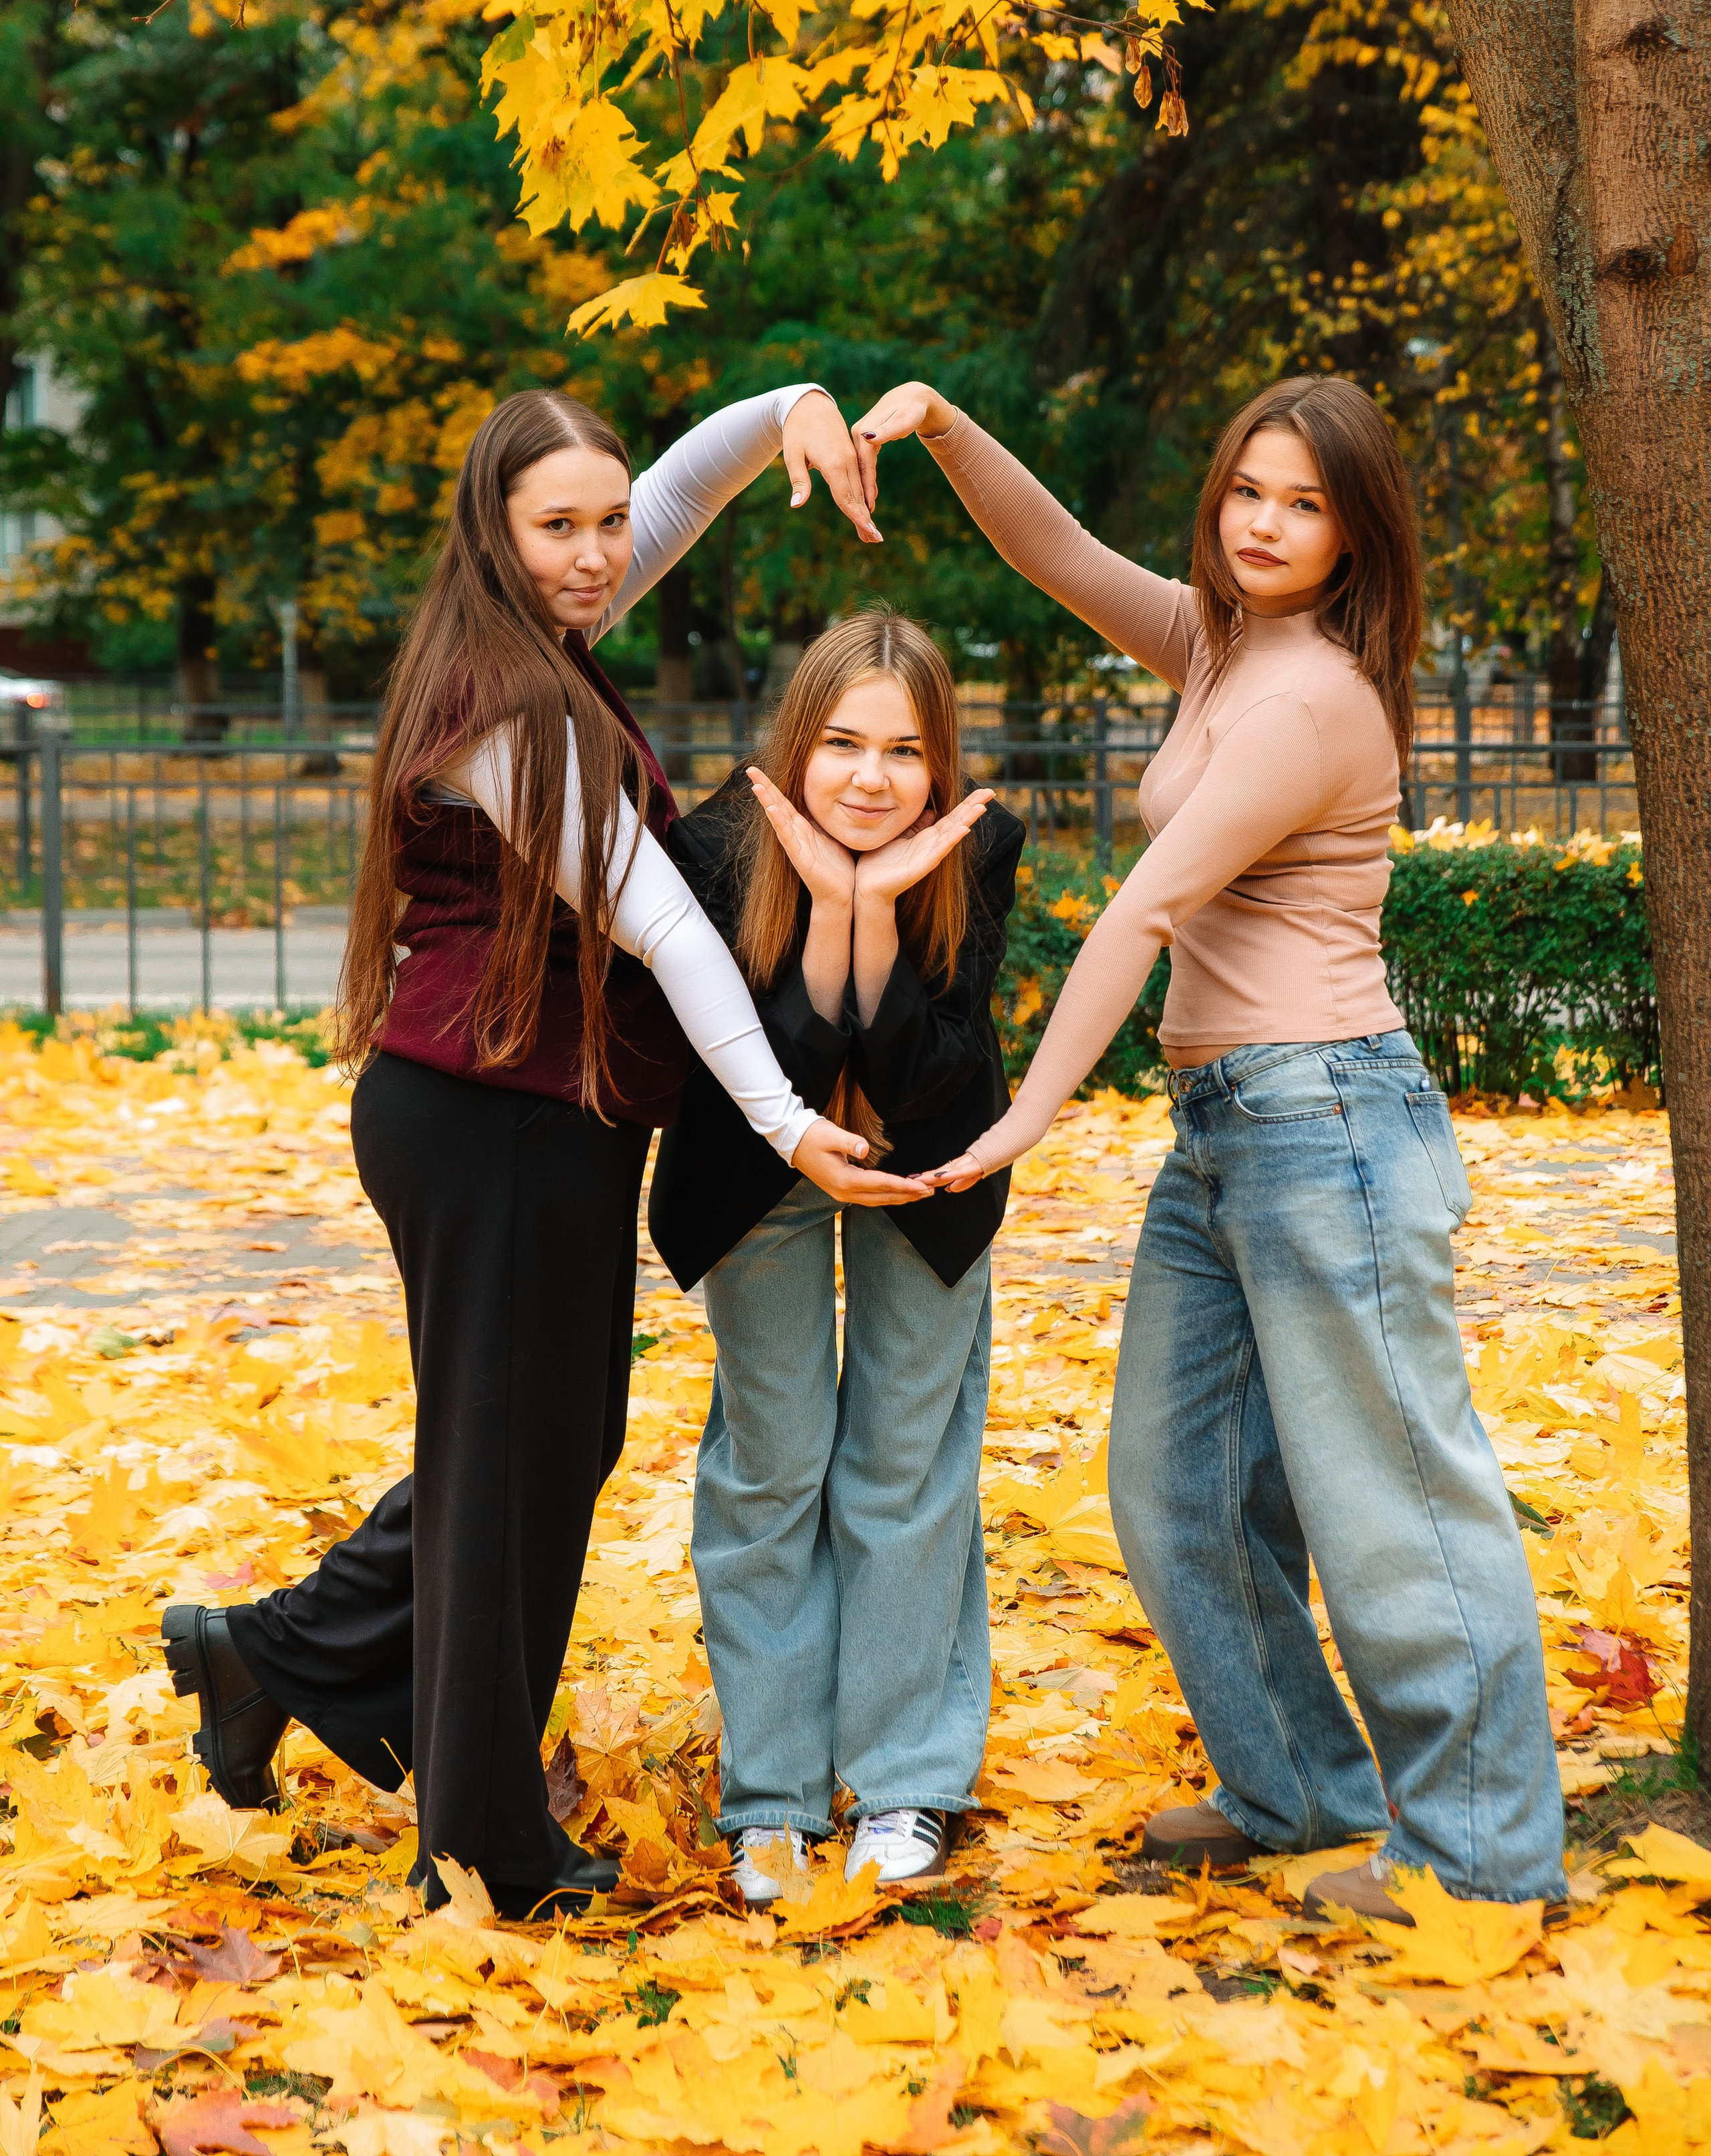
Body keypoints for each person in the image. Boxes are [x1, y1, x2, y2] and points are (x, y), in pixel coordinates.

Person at [162, 380, 930, 1922]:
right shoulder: (506, 705)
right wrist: (785, 1121)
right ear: (496, 533)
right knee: (503, 1476)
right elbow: (660, 920)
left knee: (541, 1452)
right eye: (558, 527)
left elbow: (688, 490)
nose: (594, 553)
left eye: (602, 523)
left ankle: (269, 1655)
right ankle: (482, 1853)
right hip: (486, 1121)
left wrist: (789, 410)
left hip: (545, 1119)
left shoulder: (537, 626)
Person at [850, 374, 1565, 1921]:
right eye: (1247, 488)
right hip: (1229, 1135)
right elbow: (1056, 551)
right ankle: (1300, 1791)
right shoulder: (1218, 645)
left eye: (1302, 504)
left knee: (1394, 1512)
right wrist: (939, 428)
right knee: (1172, 1493)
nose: (1262, 523)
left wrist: (1024, 1112)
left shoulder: (1312, 699)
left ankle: (1485, 1863)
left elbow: (1145, 907)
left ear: (1355, 535)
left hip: (1326, 1128)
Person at [648, 613, 1023, 1897]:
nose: (871, 778)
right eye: (844, 745)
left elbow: (932, 1075)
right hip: (760, 1182)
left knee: (904, 1468)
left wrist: (875, 914)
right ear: (797, 743)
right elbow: (775, 1078)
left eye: (905, 751)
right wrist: (826, 910)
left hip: (927, 1172)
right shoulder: (713, 845)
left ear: (942, 759)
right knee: (773, 1467)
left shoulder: (980, 845)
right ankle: (774, 1794)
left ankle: (908, 1781)